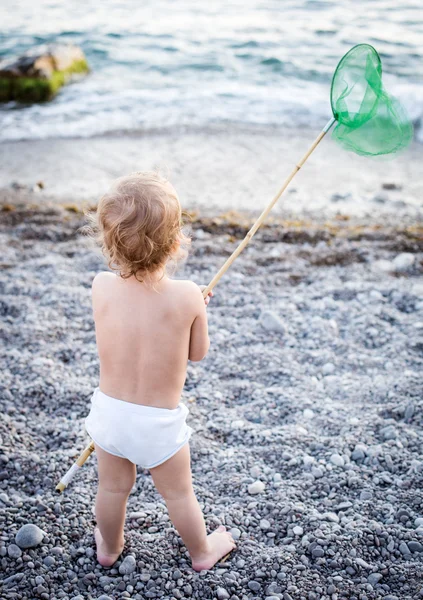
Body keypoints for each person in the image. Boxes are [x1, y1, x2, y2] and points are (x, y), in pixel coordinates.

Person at [83, 172, 236, 571]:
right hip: (158, 425)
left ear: (108, 240)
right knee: (179, 495)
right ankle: (202, 551)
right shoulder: (187, 295)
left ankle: (110, 548)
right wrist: (197, 310)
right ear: (174, 242)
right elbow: (197, 354)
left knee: (113, 487)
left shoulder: (100, 285)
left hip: (110, 415)